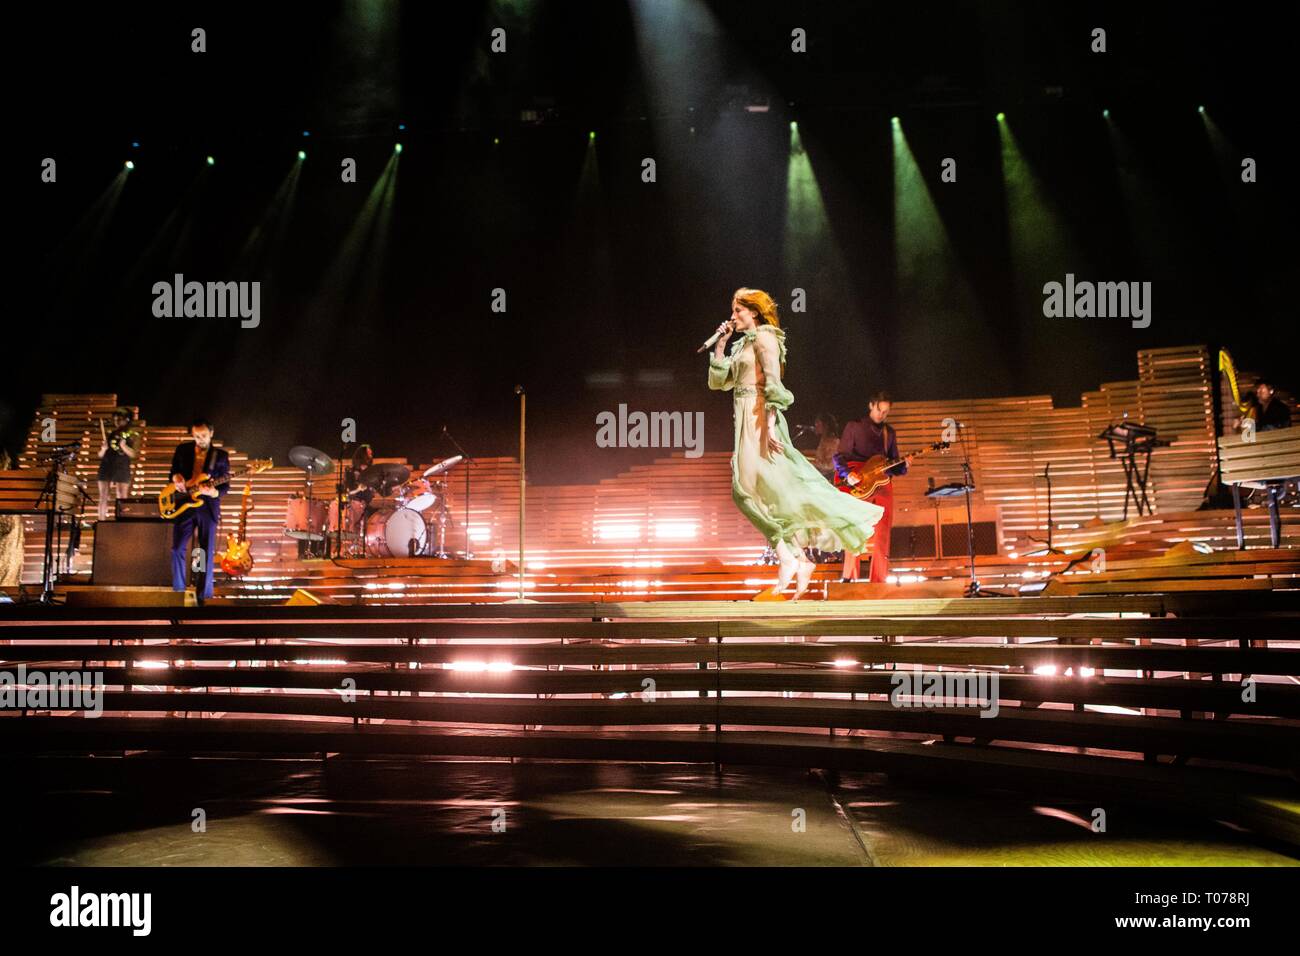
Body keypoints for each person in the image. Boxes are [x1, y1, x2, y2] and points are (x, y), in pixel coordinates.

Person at [708, 287, 884, 600]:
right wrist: (721, 345)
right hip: (744, 422)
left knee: (748, 491)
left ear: (754, 311)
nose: (733, 317)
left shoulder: (765, 337)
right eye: (732, 311)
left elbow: (774, 381)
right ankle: (797, 558)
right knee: (753, 493)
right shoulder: (742, 343)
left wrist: (773, 426)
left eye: (738, 311)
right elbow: (720, 383)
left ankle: (789, 555)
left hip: (761, 420)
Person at [834, 392, 905, 583]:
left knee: (883, 530)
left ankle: (879, 579)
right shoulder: (854, 426)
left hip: (881, 483)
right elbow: (839, 457)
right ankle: (849, 577)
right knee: (854, 528)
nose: (882, 414)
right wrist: (847, 474)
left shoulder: (888, 433)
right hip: (857, 480)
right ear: (871, 406)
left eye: (886, 412)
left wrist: (905, 464)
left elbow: (895, 465)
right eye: (879, 410)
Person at [168, 418, 230, 601]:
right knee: (177, 548)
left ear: (211, 433)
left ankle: (202, 594)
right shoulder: (182, 450)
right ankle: (178, 592)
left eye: (203, 435)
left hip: (207, 506)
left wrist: (213, 492)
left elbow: (225, 486)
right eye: (196, 436)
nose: (199, 439)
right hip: (184, 504)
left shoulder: (220, 456)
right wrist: (176, 478)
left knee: (203, 550)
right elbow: (172, 472)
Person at [96, 407, 140, 521]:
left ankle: (122, 522)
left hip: (122, 467)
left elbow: (134, 454)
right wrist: (103, 449)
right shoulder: (110, 434)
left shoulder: (132, 434)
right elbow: (100, 455)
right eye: (115, 419)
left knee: (122, 497)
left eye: (120, 419)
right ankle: (101, 522)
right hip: (107, 466)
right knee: (103, 496)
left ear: (127, 419)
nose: (117, 421)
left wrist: (124, 446)